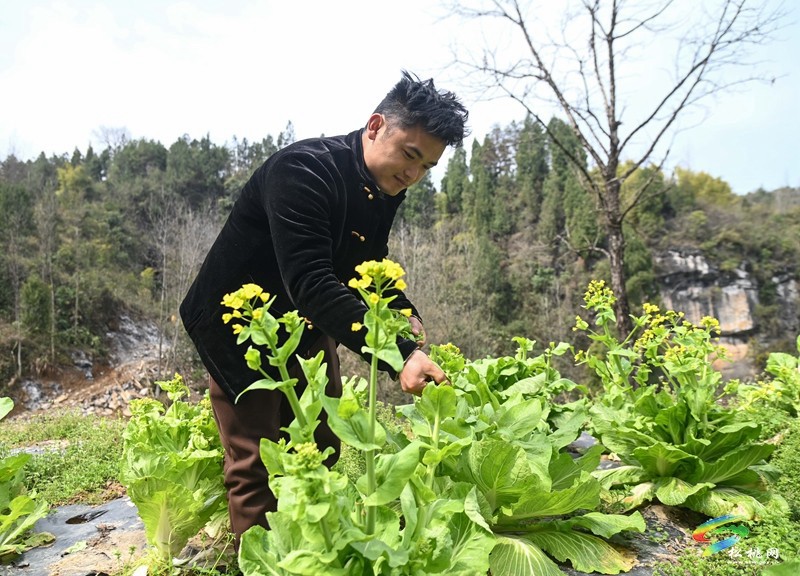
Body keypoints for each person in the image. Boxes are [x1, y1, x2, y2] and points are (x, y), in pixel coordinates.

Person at [179, 71, 469, 543]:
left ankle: (314, 553)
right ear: (375, 126)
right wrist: (398, 354)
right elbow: (311, 279)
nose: (414, 174)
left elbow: (364, 261)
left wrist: (400, 307)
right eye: (410, 155)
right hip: (240, 322)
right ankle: (260, 561)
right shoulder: (303, 172)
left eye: (427, 167)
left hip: (306, 321)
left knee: (322, 442)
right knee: (256, 456)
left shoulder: (385, 183)